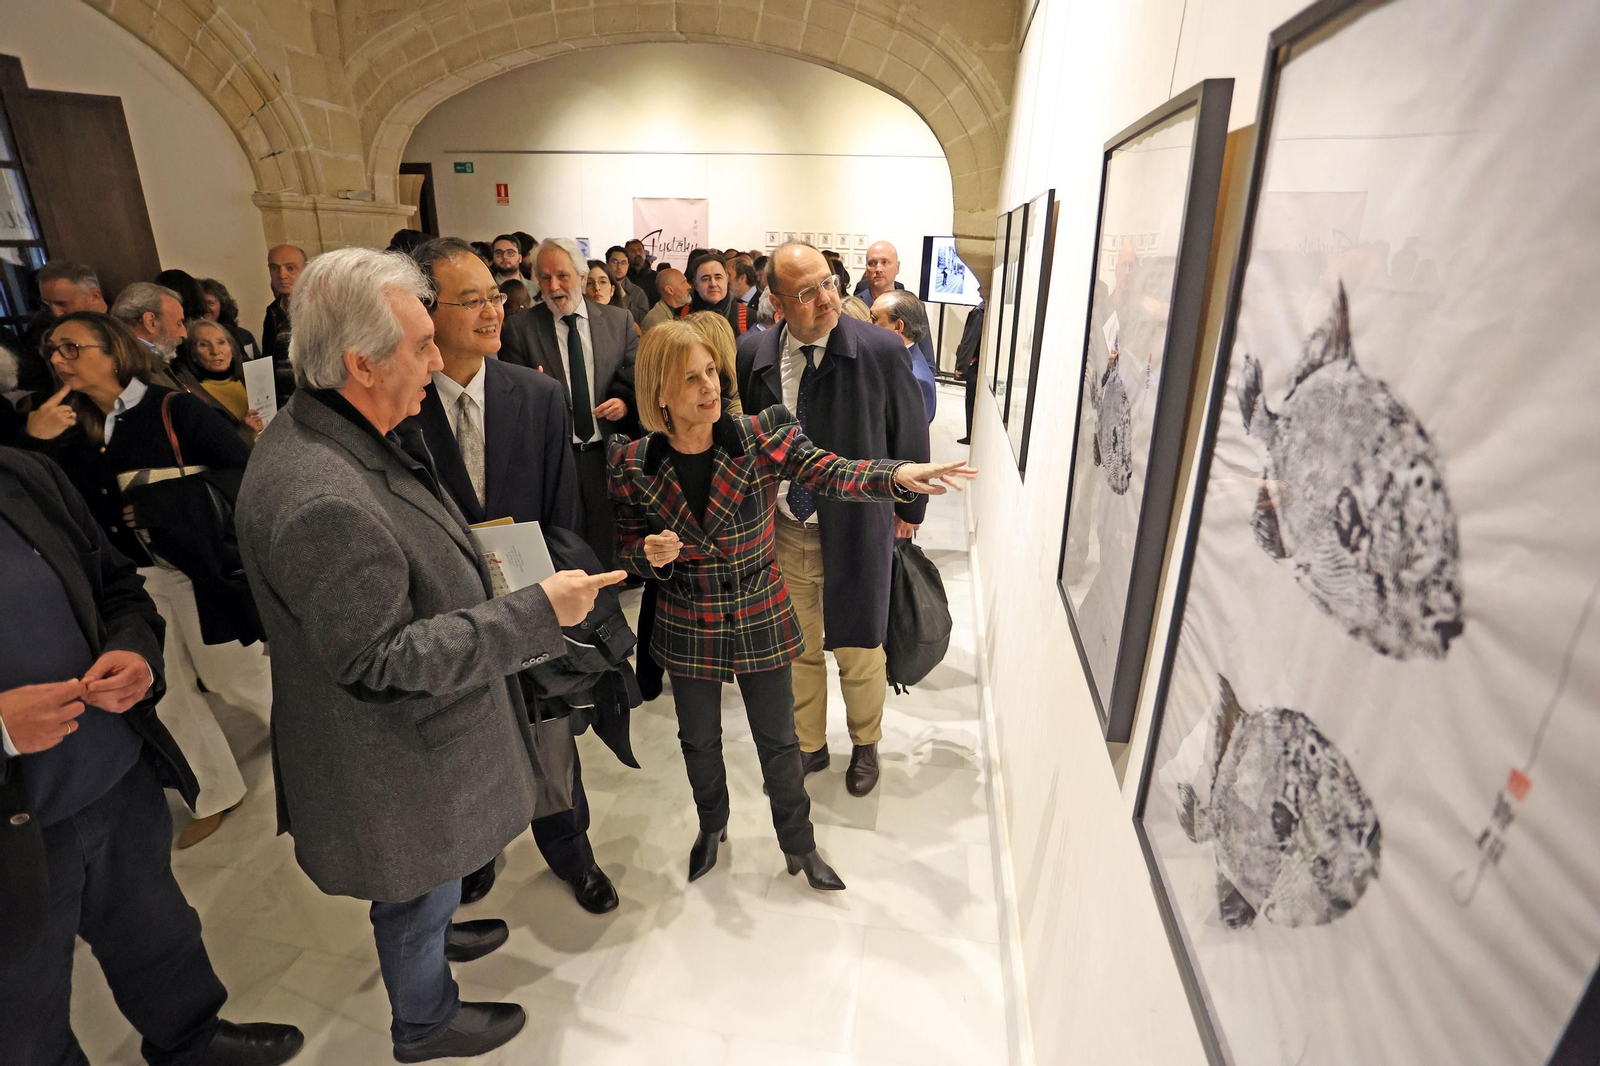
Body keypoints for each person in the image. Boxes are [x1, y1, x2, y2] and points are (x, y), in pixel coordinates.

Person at [235, 246, 625, 1063]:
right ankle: (424, 1021)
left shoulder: (340, 431)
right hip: (391, 758)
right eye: (420, 346)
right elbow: (379, 660)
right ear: (361, 363)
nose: (438, 361)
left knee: (431, 885)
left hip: (412, 743)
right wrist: (534, 613)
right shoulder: (321, 495)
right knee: (413, 889)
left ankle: (438, 932)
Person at [608, 321, 972, 888]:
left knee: (780, 742)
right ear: (660, 394)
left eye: (711, 372)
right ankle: (711, 824)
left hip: (758, 611)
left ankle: (799, 845)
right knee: (698, 740)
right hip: (688, 620)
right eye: (691, 378)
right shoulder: (631, 463)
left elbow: (831, 471)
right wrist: (648, 554)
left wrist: (898, 473)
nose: (709, 387)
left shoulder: (758, 435)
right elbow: (627, 546)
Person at [0, 444, 305, 1066]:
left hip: (114, 780)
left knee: (160, 938)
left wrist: (136, 654)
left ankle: (193, 1042)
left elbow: (119, 587)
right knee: (21, 1014)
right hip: (15, 837)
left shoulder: (22, 474)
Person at [405, 237, 617, 916]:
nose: (494, 310)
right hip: (447, 617)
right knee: (464, 742)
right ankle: (475, 852)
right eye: (471, 300)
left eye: (494, 295)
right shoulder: (401, 405)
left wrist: (544, 595)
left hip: (528, 601)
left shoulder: (539, 395)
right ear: (425, 312)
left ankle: (571, 850)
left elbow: (562, 512)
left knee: (549, 739)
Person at [22, 312, 272, 848]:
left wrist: (169, 503)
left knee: (233, 675)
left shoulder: (171, 408)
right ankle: (213, 792)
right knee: (163, 692)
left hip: (192, 570)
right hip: (126, 583)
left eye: (71, 347)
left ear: (113, 351)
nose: (59, 359)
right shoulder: (64, 429)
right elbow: (48, 506)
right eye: (52, 350)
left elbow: (245, 474)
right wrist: (36, 442)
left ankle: (310, 739)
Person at [737, 243, 931, 797]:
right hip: (782, 528)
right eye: (806, 292)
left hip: (857, 527)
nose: (825, 298)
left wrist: (909, 511)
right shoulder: (754, 353)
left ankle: (866, 742)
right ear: (777, 303)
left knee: (860, 646)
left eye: (828, 282)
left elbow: (909, 434)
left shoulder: (880, 349)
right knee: (798, 646)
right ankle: (809, 744)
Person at [499, 237, 639, 570]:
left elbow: (637, 376)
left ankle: (606, 600)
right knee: (565, 548)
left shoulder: (618, 321)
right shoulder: (520, 329)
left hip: (607, 454)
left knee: (607, 550)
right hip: (555, 458)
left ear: (581, 276)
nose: (554, 287)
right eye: (545, 278)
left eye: (562, 276)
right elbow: (511, 402)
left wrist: (623, 401)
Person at [854, 240, 937, 373]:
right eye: (872, 263)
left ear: (897, 267)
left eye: (885, 262)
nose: (878, 269)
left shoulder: (913, 307)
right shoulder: (854, 306)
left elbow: (928, 361)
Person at [109, 281, 199, 396]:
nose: (184, 334)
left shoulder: (133, 359)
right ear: (151, 322)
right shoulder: (133, 368)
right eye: (178, 323)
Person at [184, 318, 266, 440]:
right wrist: (244, 434)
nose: (215, 351)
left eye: (221, 342)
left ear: (231, 348)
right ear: (193, 355)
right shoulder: (189, 393)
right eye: (204, 345)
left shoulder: (252, 374)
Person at [871, 290, 938, 422]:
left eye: (874, 319)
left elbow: (911, 432)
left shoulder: (917, 379)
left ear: (898, 326)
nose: (866, 323)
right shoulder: (894, 358)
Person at [262, 244, 306, 401]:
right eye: (274, 268)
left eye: (290, 268)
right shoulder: (273, 312)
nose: (282, 275)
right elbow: (269, 361)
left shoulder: (319, 308)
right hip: (284, 402)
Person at [200, 276, 261, 361]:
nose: (205, 308)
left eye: (210, 303)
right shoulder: (189, 338)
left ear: (222, 306)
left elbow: (256, 365)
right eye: (200, 303)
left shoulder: (244, 336)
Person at [956, 299, 985, 445]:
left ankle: (971, 435)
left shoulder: (979, 312)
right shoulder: (984, 310)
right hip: (980, 364)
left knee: (971, 400)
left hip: (974, 366)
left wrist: (961, 365)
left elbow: (969, 341)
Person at [605, 245, 650, 324]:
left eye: (623, 263)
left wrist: (624, 297)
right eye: (614, 262)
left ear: (628, 265)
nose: (619, 267)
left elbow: (644, 321)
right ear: (607, 263)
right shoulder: (599, 288)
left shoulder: (637, 293)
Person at [624, 238, 658, 303]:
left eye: (639, 250)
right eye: (632, 251)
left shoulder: (657, 278)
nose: (637, 253)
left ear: (644, 252)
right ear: (626, 255)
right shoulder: (622, 278)